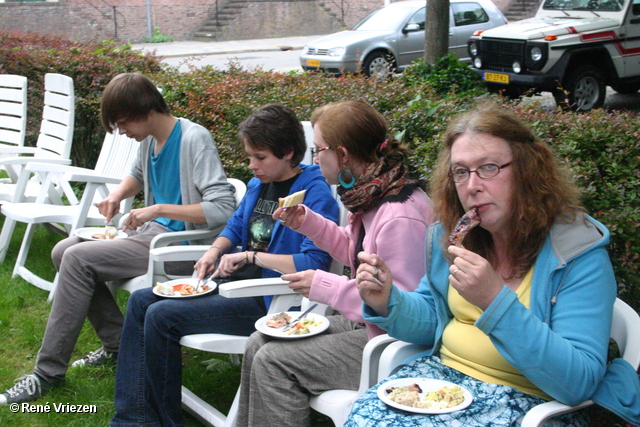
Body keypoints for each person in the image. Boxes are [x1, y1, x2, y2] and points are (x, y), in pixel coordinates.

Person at [347, 102, 640, 426]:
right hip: (440, 386)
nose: (472, 186)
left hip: (528, 404)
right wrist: (390, 301)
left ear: (527, 171)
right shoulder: (452, 237)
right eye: (460, 171)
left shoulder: (577, 254)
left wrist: (494, 302)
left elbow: (577, 382)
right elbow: (433, 318)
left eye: (488, 167)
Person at [0, 72, 236, 406]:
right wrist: (117, 196)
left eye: (124, 123)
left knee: (78, 258)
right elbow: (137, 176)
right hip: (151, 238)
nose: (122, 132)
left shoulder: (194, 139)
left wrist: (157, 210)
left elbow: (224, 207)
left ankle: (46, 374)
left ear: (147, 110)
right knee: (63, 249)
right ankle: (117, 346)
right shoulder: (150, 140)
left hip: (182, 247)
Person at [109, 103, 339, 427]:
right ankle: (133, 416)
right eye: (249, 156)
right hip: (237, 285)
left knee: (162, 316)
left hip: (272, 301)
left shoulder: (313, 193)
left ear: (288, 152)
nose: (252, 165)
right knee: (141, 299)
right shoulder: (260, 184)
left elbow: (314, 262)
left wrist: (251, 257)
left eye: (260, 157)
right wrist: (213, 251)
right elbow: (233, 225)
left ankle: (160, 422)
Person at [236, 100, 437, 427]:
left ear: (342, 154)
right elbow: (355, 249)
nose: (314, 159)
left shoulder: (399, 215)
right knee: (261, 340)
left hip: (394, 348)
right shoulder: (375, 194)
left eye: (318, 150)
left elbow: (400, 306)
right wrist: (307, 222)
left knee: (274, 360)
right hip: (369, 330)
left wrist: (325, 287)